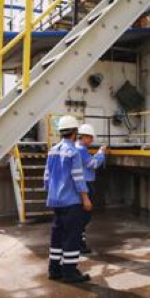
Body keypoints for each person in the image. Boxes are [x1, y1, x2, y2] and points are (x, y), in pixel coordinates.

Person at [44, 115, 92, 283]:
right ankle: (70, 272)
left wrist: (51, 193)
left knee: (57, 235)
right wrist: (85, 199)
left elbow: (47, 176)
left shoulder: (52, 151)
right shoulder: (73, 152)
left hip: (56, 201)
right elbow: (78, 177)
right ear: (74, 132)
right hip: (71, 202)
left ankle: (54, 269)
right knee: (72, 236)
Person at [75, 123, 106, 254]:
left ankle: (78, 242)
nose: (92, 140)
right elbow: (92, 164)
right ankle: (79, 244)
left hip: (79, 184)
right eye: (90, 137)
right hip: (85, 184)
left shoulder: (76, 148)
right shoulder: (81, 150)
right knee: (84, 216)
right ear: (83, 137)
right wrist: (101, 153)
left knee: (80, 216)